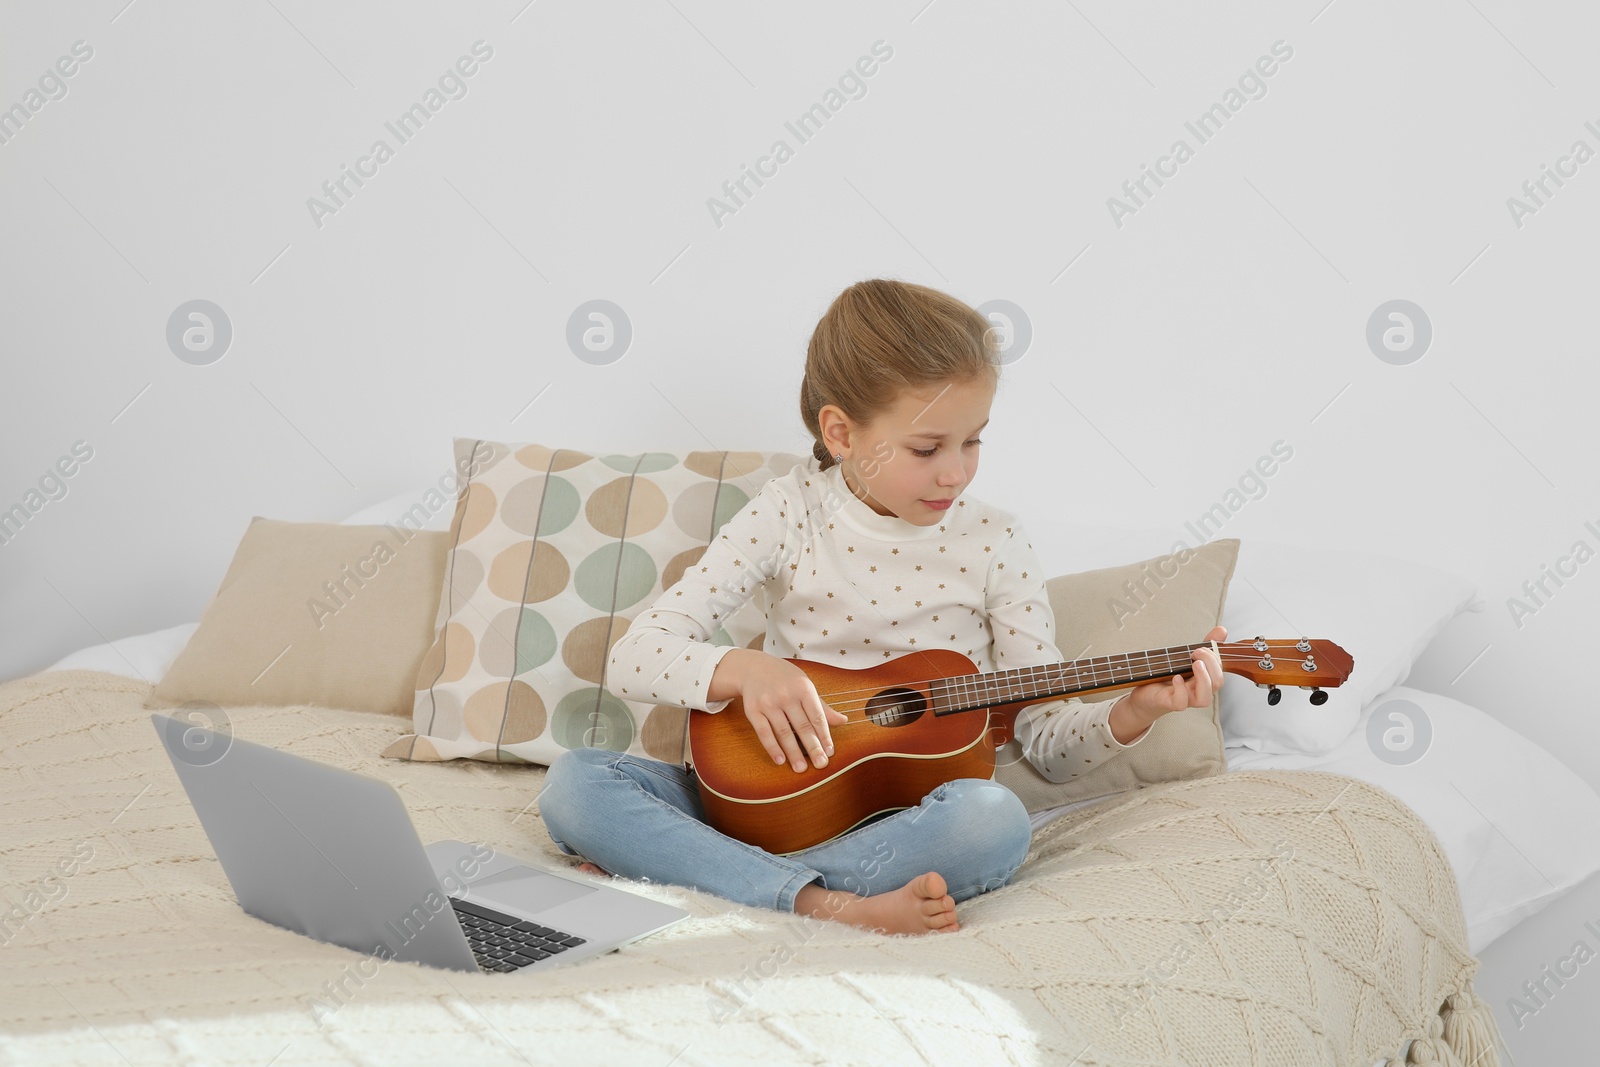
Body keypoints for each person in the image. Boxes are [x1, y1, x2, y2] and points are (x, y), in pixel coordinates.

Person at [539, 278, 1225, 935]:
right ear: (841, 434)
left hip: (902, 824)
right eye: (927, 447)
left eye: (974, 439)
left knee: (995, 819)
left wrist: (1137, 709)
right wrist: (745, 673)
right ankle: (818, 901)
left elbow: (1048, 748)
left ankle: (703, 872)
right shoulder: (788, 512)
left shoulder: (995, 542)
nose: (955, 471)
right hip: (755, 804)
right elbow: (636, 657)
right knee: (575, 784)